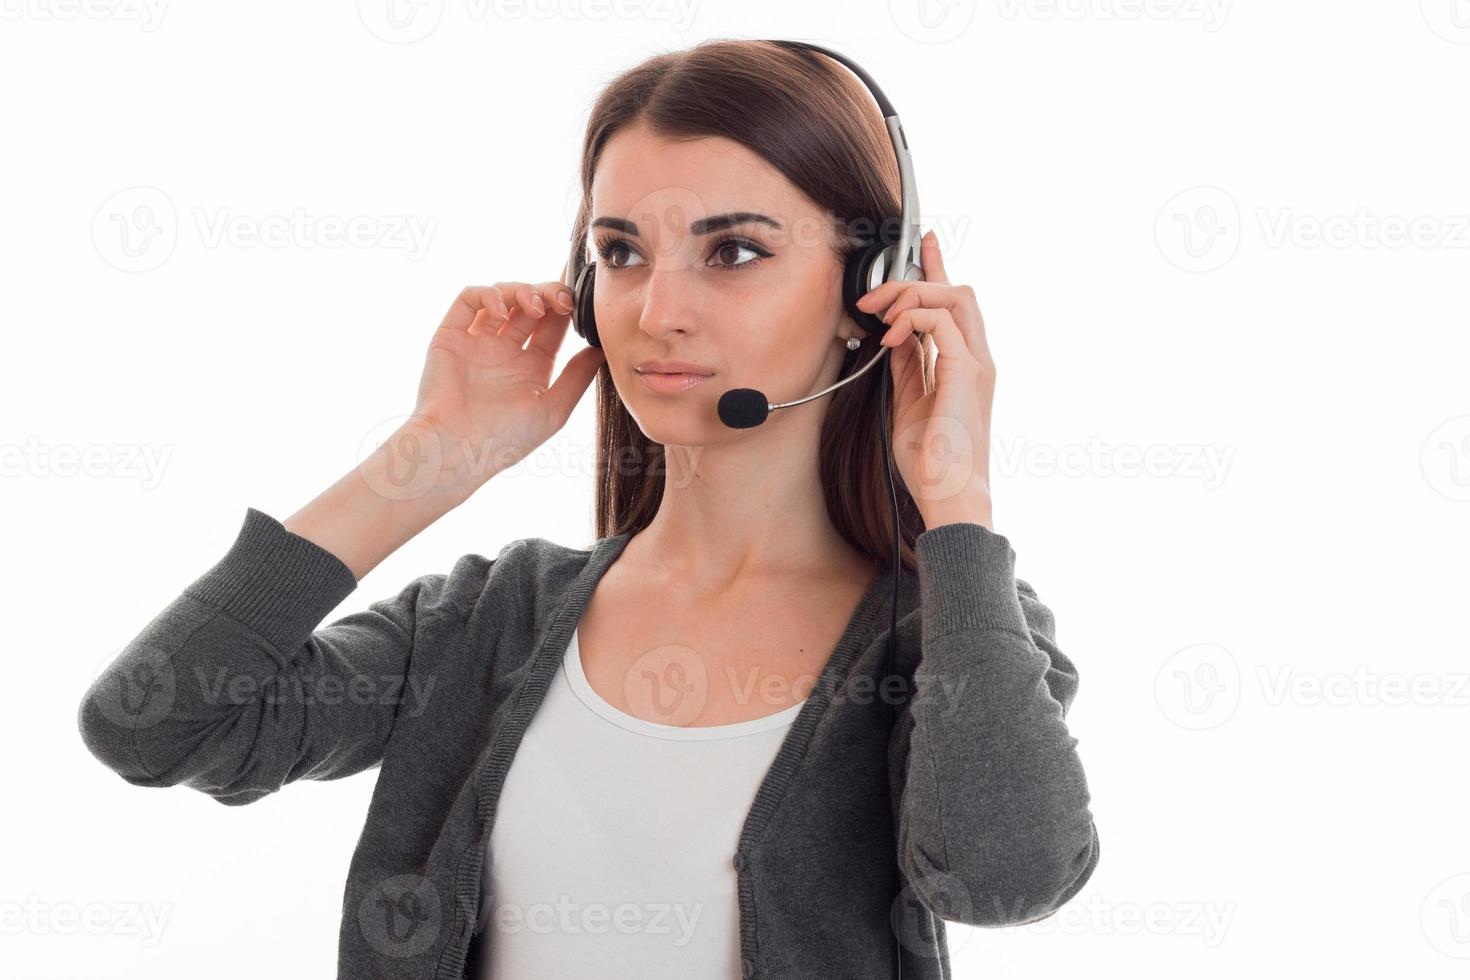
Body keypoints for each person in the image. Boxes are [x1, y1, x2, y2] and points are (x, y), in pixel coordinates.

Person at [79, 39, 1098, 980]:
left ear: (869, 287)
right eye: (620, 251)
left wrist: (957, 505)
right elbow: (156, 722)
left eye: (733, 250)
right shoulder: (493, 618)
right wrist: (428, 459)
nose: (658, 311)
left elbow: (1004, 877)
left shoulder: (947, 633)